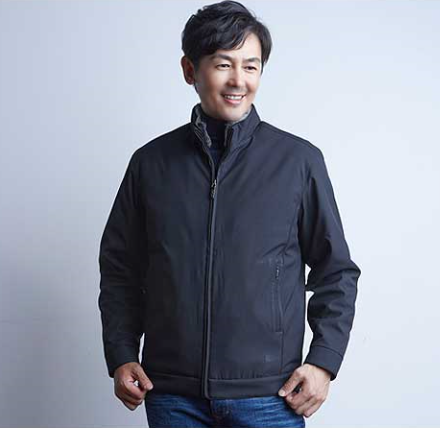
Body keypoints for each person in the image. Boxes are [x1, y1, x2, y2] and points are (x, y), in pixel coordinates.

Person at [98, 1, 361, 427]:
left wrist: (323, 362)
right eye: (223, 64)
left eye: (251, 66)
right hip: (172, 397)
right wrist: (121, 353)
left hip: (271, 397)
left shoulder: (298, 162)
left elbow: (336, 271)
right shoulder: (151, 163)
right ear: (190, 70)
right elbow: (120, 269)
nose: (239, 80)